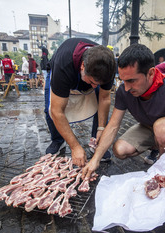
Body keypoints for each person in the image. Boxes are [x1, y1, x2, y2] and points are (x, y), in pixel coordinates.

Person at [82, 43, 165, 180]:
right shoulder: (124, 91)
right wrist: (95, 159)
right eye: (123, 81)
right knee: (119, 149)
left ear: (151, 73)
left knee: (163, 129)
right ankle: (156, 145)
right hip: (147, 126)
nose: (127, 88)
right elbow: (113, 125)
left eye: (132, 81)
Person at [46, 38, 116, 167]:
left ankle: (97, 142)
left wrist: (102, 128)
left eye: (98, 84)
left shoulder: (109, 67)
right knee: (49, 109)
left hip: (86, 72)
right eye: (92, 82)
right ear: (83, 66)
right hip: (64, 69)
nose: (95, 87)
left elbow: (104, 99)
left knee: (99, 102)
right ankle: (57, 140)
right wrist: (75, 147)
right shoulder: (63, 65)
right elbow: (57, 111)